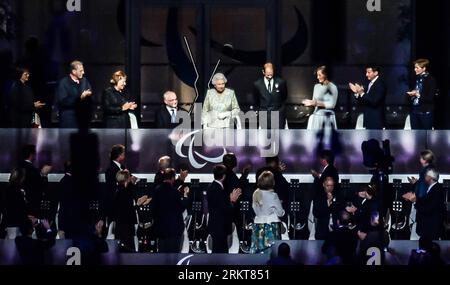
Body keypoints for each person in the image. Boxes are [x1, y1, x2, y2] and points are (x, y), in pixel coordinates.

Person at [152, 168, 190, 253]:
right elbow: (180, 208)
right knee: (174, 256)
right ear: (173, 178)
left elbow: (153, 209)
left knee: (162, 255)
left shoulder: (157, 190)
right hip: (174, 230)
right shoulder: (175, 192)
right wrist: (185, 197)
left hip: (161, 229)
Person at [207, 164, 242, 253]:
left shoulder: (212, 187)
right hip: (220, 227)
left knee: (218, 253)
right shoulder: (218, 189)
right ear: (224, 176)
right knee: (220, 254)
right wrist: (232, 201)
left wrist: (229, 200)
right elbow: (225, 209)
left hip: (216, 226)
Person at [403, 169, 445, 240]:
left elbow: (427, 209)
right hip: (426, 230)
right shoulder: (432, 188)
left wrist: (415, 201)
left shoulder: (437, 190)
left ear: (430, 178)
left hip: (431, 230)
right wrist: (415, 184)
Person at [250, 171, 285, 254]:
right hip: (271, 226)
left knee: (258, 254)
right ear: (272, 182)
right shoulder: (273, 195)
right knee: (272, 253)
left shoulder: (255, 193)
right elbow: (280, 213)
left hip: (258, 225)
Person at [56, 60, 92, 128]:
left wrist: (89, 94)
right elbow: (63, 101)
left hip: (82, 118)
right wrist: (80, 97)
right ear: (74, 71)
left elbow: (89, 91)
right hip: (69, 119)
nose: (83, 72)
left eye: (83, 70)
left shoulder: (84, 81)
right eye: (81, 71)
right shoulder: (64, 83)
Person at [349, 65, 386, 129]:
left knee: (376, 138)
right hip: (369, 118)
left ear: (376, 73)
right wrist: (357, 92)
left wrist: (361, 93)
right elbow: (366, 99)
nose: (366, 74)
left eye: (369, 72)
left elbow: (374, 101)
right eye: (366, 72)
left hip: (376, 120)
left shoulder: (380, 84)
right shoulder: (369, 83)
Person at [253, 62, 288, 129]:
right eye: (268, 73)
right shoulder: (257, 84)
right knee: (264, 137)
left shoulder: (281, 82)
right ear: (263, 72)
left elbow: (284, 96)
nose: (270, 75)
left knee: (278, 137)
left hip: (277, 114)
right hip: (264, 114)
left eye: (271, 72)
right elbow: (256, 100)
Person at [303, 66, 338, 130]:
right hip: (316, 116)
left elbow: (332, 104)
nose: (317, 77)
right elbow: (314, 101)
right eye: (317, 75)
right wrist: (310, 103)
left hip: (327, 117)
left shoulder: (333, 87)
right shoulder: (316, 86)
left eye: (319, 75)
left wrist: (316, 103)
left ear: (325, 75)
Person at [407, 59, 437, 130]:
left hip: (425, 112)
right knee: (415, 134)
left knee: (426, 136)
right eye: (414, 67)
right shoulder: (414, 78)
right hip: (414, 112)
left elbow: (430, 98)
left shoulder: (431, 79)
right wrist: (412, 94)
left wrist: (418, 94)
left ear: (424, 68)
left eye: (417, 68)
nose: (415, 69)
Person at [113, 170, 137, 252]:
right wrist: (138, 204)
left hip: (120, 226)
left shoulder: (117, 190)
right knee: (127, 252)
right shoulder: (124, 192)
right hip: (126, 227)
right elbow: (128, 210)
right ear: (127, 179)